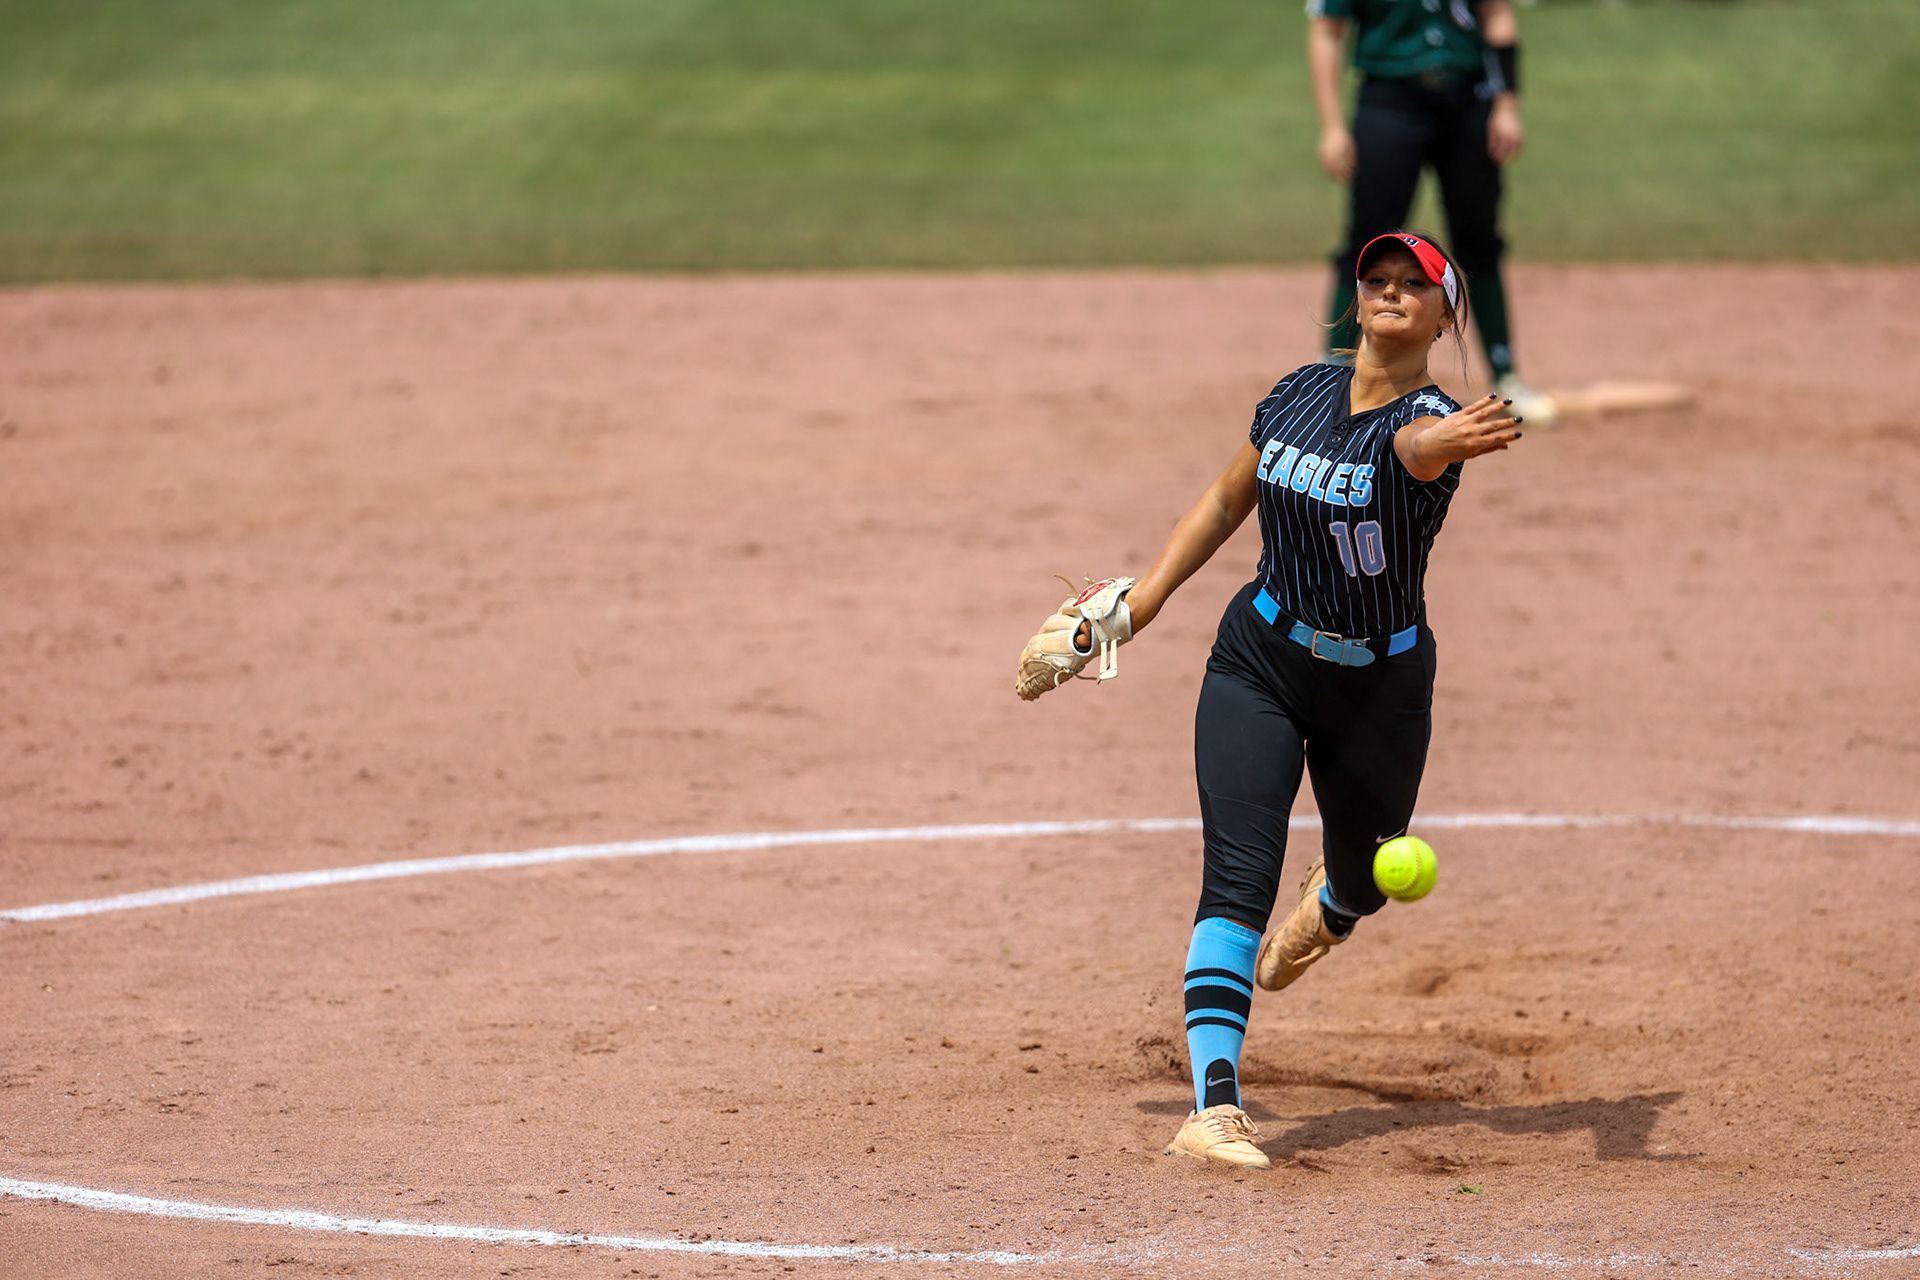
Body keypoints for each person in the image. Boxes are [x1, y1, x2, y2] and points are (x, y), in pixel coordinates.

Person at [1014, 232, 1522, 1168]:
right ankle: (1214, 1109)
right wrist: (1147, 599)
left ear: (1445, 316)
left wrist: (1448, 436)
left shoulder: (1428, 424)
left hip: (1381, 689)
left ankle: (1331, 907)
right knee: (1235, 882)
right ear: (1356, 295)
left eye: (1417, 285)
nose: (1392, 292)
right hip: (1260, 660)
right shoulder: (1297, 391)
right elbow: (1224, 498)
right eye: (1379, 279)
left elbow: (1413, 446)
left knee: (1366, 877)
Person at [1306, 0, 1558, 425]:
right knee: (1367, 244)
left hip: (1468, 100)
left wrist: (1507, 106)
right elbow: (1327, 30)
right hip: (1388, 101)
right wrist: (1331, 126)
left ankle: (1506, 376)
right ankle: (1330, 379)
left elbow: (1497, 15)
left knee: (1479, 242)